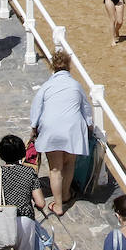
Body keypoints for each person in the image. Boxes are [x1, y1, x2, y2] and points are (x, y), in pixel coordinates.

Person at [29, 50, 93, 216]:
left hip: (51, 129)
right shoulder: (76, 85)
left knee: (55, 169)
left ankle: (58, 205)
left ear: (53, 67)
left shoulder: (47, 86)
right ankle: (65, 195)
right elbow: (86, 109)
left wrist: (34, 128)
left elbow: (36, 109)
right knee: (69, 163)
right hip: (72, 129)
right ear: (68, 66)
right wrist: (90, 127)